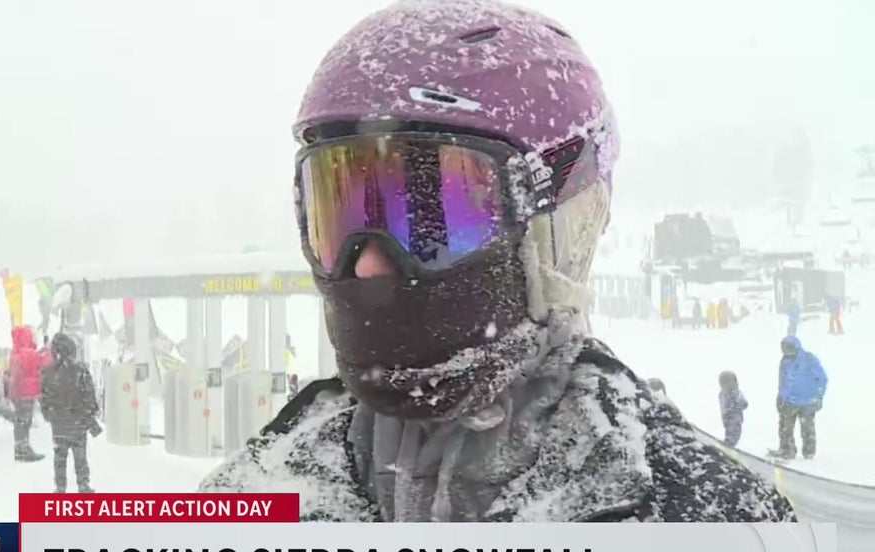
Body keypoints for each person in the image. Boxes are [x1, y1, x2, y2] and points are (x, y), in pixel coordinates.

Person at [198, 0, 795, 523]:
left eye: (431, 219)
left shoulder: (713, 531)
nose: (368, 267)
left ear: (556, 229)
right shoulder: (246, 505)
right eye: (343, 216)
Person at [41, 333, 102, 493]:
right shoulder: (80, 370)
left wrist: (49, 414)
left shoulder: (48, 372)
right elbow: (89, 394)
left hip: (59, 423)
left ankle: (60, 487)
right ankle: (83, 484)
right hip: (77, 422)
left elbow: (44, 398)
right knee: (80, 455)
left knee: (59, 456)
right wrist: (90, 412)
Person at [772, 337, 827, 460]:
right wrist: (780, 396)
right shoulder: (785, 361)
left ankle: (809, 452)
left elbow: (822, 379)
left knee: (807, 429)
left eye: (788, 348)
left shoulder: (809, 359)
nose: (786, 351)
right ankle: (787, 450)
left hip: (807, 402)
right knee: (785, 427)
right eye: (783, 348)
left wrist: (819, 397)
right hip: (789, 401)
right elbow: (782, 380)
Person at [8, 326, 46, 462]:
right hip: (28, 392)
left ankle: (19, 447)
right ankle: (24, 450)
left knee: (20, 421)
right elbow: (42, 366)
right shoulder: (30, 353)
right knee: (26, 420)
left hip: (17, 392)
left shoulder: (14, 353)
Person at [718, 371, 748, 448]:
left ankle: (729, 441)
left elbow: (743, 403)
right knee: (734, 430)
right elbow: (743, 403)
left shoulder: (723, 393)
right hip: (733, 416)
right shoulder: (735, 392)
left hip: (729, 416)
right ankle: (730, 442)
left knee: (731, 429)